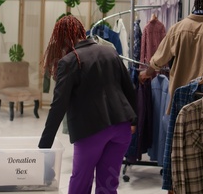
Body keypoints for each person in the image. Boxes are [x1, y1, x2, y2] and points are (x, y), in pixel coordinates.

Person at [38, 15, 137, 194]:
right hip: (121, 127)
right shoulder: (110, 52)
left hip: (91, 131)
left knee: (81, 182)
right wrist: (134, 121)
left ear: (64, 38)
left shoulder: (69, 62)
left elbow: (59, 105)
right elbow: (129, 88)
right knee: (108, 184)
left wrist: (44, 145)